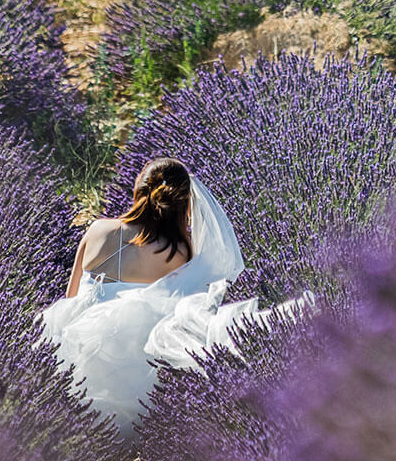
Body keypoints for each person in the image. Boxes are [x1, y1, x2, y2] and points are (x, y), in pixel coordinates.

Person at [36, 157, 308, 436]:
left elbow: (70, 298)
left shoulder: (98, 230)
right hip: (133, 381)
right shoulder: (179, 253)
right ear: (183, 206)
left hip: (75, 355)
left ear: (137, 191)